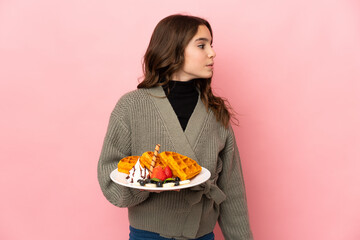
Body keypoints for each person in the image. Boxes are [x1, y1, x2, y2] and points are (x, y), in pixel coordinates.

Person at [97, 14, 253, 240]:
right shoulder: (131, 106)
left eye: (211, 45)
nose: (212, 53)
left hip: (202, 235)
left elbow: (232, 190)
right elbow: (109, 176)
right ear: (174, 50)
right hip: (149, 235)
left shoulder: (215, 112)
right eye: (202, 45)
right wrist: (146, 183)